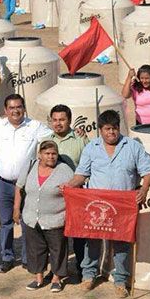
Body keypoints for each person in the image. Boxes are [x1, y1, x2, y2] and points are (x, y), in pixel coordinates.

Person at [62, 110, 150, 298]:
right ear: (100, 130)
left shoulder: (132, 147)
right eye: (107, 129)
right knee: (92, 239)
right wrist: (69, 185)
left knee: (121, 242)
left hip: (123, 205)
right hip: (96, 203)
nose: (111, 132)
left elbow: (147, 171)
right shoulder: (91, 148)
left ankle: (120, 280)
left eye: (114, 128)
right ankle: (89, 275)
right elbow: (82, 174)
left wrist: (143, 191)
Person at [0, 94, 53, 273]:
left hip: (26, 185)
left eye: (19, 107)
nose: (15, 111)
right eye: (11, 108)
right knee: (5, 222)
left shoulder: (34, 127)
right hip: (3, 183)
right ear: (5, 110)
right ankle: (7, 256)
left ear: (24, 108)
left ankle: (28, 258)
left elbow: (55, 136)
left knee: (27, 220)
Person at [14, 141, 74, 292]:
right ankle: (38, 277)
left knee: (57, 249)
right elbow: (19, 187)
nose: (51, 157)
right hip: (31, 217)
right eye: (47, 154)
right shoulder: (30, 166)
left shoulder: (64, 170)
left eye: (54, 153)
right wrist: (16, 208)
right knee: (35, 248)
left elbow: (74, 192)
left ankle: (56, 278)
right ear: (40, 155)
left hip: (56, 218)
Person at [41, 104, 88, 280]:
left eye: (62, 119)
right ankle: (55, 270)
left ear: (69, 120)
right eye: (55, 120)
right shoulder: (45, 141)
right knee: (54, 236)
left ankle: (82, 270)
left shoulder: (80, 139)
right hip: (52, 197)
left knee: (78, 235)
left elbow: (89, 164)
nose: (58, 123)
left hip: (75, 194)